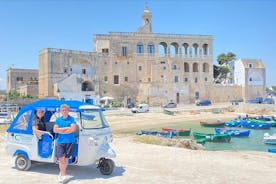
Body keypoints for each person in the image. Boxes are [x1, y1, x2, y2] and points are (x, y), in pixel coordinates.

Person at [53, 104, 76, 183]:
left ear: (68, 111)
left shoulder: (72, 119)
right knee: (61, 159)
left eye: (65, 110)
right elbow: (55, 130)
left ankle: (62, 172)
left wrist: (61, 130)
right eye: (62, 110)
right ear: (61, 111)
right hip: (61, 142)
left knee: (65, 159)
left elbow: (72, 129)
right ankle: (63, 175)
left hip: (70, 141)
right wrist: (66, 128)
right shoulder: (58, 120)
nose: (64, 111)